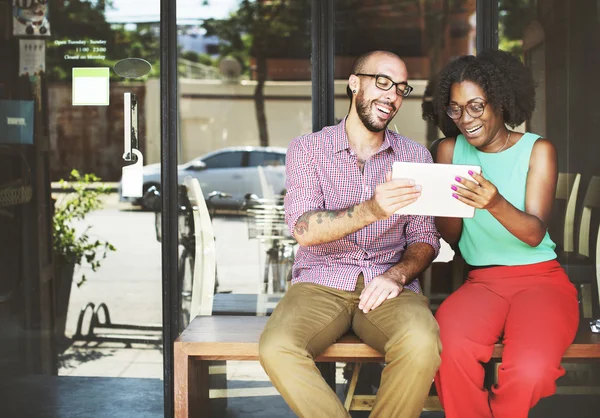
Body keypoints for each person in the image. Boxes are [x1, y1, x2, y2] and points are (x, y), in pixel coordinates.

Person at [258, 50, 442, 418]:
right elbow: (304, 230)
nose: (392, 96)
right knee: (277, 347)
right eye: (383, 82)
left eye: (401, 89)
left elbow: (426, 237)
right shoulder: (308, 149)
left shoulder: (416, 157)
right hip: (320, 282)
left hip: (388, 285)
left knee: (422, 343)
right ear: (354, 83)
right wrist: (374, 208)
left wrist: (398, 274)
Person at [428, 49, 579, 418]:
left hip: (541, 280)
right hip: (482, 282)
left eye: (476, 106)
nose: (466, 119)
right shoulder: (448, 150)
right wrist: (442, 199)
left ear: (500, 101)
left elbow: (533, 233)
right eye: (456, 108)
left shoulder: (537, 150)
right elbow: (451, 236)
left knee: (531, 370)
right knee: (445, 353)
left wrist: (493, 202)